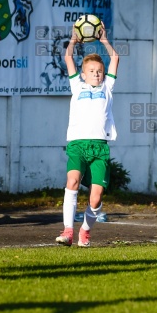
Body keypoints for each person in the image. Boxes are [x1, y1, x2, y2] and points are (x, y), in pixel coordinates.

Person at [55, 21, 119, 247]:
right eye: (92, 71)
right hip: (78, 145)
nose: (97, 74)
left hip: (99, 147)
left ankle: (85, 230)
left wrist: (104, 41)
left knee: (96, 198)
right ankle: (68, 231)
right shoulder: (77, 87)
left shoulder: (107, 89)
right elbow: (68, 59)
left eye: (99, 71)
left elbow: (116, 59)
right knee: (72, 181)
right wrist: (73, 40)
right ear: (83, 74)